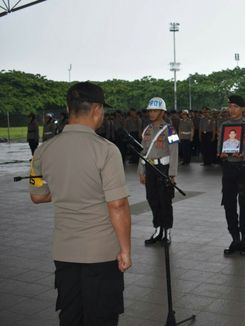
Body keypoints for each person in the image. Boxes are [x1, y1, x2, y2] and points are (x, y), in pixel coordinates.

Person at [29, 82, 132, 325]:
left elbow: (37, 195)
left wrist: (67, 188)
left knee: (71, 315)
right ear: (97, 110)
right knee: (101, 317)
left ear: (68, 107)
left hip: (64, 252)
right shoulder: (106, 151)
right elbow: (117, 205)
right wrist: (125, 250)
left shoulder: (42, 151)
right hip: (101, 254)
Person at [218, 95, 245, 256]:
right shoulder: (224, 126)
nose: (232, 109)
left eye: (236, 106)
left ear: (242, 109)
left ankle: (244, 240)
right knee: (229, 205)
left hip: (244, 170)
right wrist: (222, 154)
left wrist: (243, 155)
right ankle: (234, 238)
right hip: (228, 170)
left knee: (244, 205)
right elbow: (220, 148)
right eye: (230, 106)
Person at [137, 97, 179, 245]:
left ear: (162, 112)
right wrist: (141, 171)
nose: (151, 113)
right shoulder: (147, 130)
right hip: (150, 168)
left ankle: (167, 231)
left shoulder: (170, 129)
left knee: (165, 201)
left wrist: (172, 174)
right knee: (152, 199)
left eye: (155, 110)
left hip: (164, 169)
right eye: (150, 111)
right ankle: (158, 229)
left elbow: (174, 152)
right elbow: (142, 152)